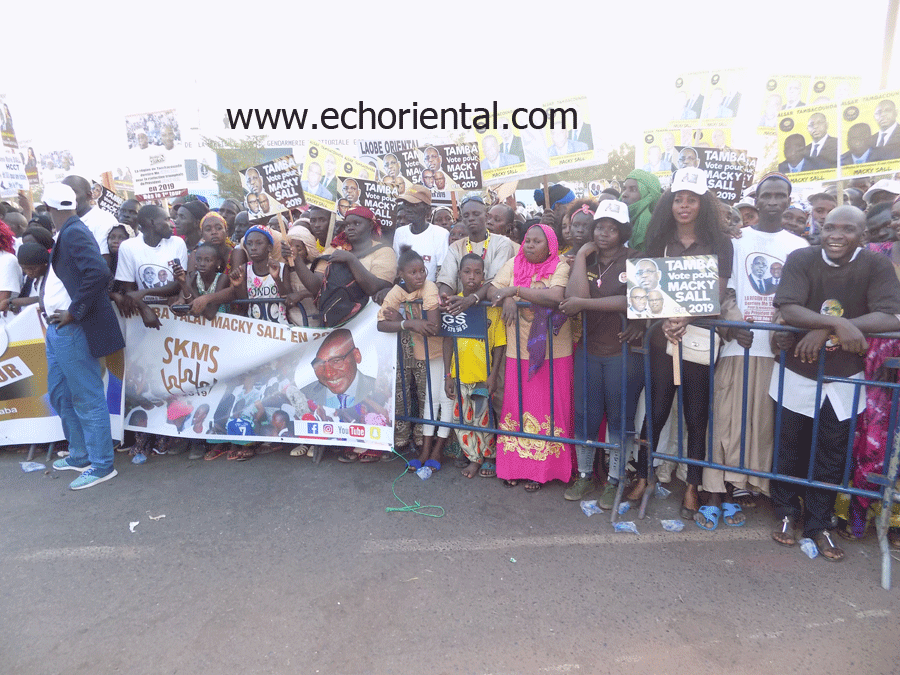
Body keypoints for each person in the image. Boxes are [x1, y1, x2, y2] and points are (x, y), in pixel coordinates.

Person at [769, 205, 900, 561]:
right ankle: (785, 513)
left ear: (864, 236)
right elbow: (789, 307)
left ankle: (819, 523)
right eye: (829, 227)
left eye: (846, 229)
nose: (835, 235)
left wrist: (826, 330)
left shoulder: (876, 265)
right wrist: (839, 325)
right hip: (797, 370)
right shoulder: (802, 258)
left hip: (845, 375)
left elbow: (891, 316)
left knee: (832, 452)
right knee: (789, 446)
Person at [629, 168, 734, 525]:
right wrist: (665, 319)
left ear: (703, 204)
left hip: (699, 337)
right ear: (669, 204)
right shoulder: (659, 240)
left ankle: (692, 485)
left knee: (696, 415)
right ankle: (643, 475)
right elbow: (646, 289)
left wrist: (686, 317)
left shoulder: (720, 243)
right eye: (678, 199)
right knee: (656, 411)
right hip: (663, 338)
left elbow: (717, 291)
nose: (684, 206)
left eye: (691, 199)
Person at [702, 173, 807, 522]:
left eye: (780, 196)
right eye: (767, 195)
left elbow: (796, 298)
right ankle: (715, 486)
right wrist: (733, 325)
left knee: (761, 426)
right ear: (757, 200)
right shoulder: (736, 240)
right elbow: (725, 289)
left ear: (789, 200)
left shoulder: (799, 246)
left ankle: (747, 483)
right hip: (737, 346)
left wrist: (781, 330)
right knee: (725, 420)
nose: (773, 202)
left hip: (774, 350)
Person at [559, 200, 644, 508]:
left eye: (612, 228)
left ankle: (615, 479)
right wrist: (582, 255)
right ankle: (585, 475)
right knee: (586, 414)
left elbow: (632, 300)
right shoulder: (587, 260)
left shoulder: (635, 258)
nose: (604, 233)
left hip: (622, 352)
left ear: (623, 232)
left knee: (620, 417)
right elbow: (573, 298)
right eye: (600, 227)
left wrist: (585, 305)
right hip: (589, 350)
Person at [43, 183, 124, 489]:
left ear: (48, 209)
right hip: (59, 327)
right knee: (61, 394)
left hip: (73, 327)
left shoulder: (74, 231)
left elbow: (99, 272)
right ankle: (80, 455)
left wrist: (74, 312)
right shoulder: (69, 230)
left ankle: (102, 465)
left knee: (86, 397)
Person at [486, 223, 573, 492]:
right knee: (517, 407)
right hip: (518, 350)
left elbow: (555, 296)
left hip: (554, 352)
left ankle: (543, 470)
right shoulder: (514, 263)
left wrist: (514, 291)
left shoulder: (560, 265)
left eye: (537, 241)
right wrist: (507, 299)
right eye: (528, 241)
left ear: (550, 245)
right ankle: (515, 467)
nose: (531, 246)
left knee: (550, 409)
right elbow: (493, 289)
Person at [378, 245, 452, 469]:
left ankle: (436, 448)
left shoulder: (429, 288)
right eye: (413, 272)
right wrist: (409, 323)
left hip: (442, 350)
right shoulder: (397, 291)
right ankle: (424, 449)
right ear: (401, 274)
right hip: (423, 352)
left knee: (444, 399)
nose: (419, 276)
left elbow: (433, 327)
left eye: (422, 270)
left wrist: (403, 320)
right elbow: (381, 324)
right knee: (429, 399)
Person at [442, 254, 507, 478]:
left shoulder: (491, 307)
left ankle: (488, 457)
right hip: (460, 375)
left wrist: (493, 375)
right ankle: (473, 458)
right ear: (459, 274)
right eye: (467, 272)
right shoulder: (452, 304)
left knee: (483, 419)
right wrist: (448, 375)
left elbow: (499, 344)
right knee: (462, 420)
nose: (472, 277)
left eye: (477, 273)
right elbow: (447, 341)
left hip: (482, 376)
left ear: (483, 276)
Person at [436, 195, 517, 314]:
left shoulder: (502, 243)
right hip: (461, 310)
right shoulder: (456, 247)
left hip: (493, 310)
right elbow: (448, 280)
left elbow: (495, 282)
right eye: (466, 215)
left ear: (486, 216)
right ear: (462, 219)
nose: (471, 219)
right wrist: (445, 298)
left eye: (476, 214)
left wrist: (472, 299)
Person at [230, 225, 290, 326]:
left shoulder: (281, 268)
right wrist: (238, 286)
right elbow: (245, 304)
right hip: (255, 327)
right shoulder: (245, 269)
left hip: (279, 327)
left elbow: (288, 299)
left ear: (269, 247)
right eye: (249, 244)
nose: (253, 248)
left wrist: (277, 279)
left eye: (259, 243)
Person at [391, 185, 448, 282]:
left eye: (414, 205)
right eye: (406, 204)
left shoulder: (441, 234)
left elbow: (442, 273)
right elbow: (397, 268)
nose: (408, 209)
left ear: (427, 209)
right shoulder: (400, 232)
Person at [61, 175, 118, 259]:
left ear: (88, 195)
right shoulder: (62, 221)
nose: (67, 197)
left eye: (72, 193)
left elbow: (104, 261)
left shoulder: (104, 220)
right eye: (63, 193)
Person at [619, 170, 662, 252]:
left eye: (633, 189)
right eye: (624, 189)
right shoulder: (614, 220)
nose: (624, 194)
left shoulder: (657, 228)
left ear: (647, 194)